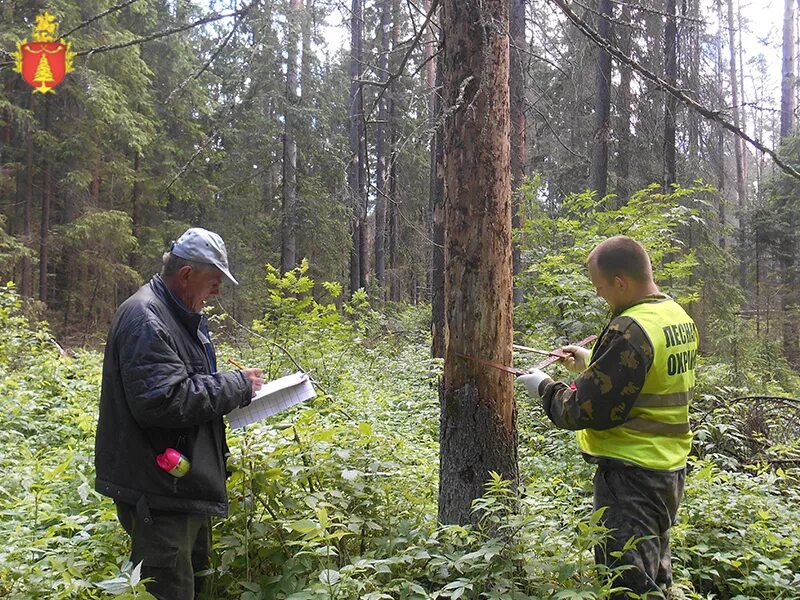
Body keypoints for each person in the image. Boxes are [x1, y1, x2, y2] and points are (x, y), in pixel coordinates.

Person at [519, 235, 698, 599]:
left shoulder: (630, 330)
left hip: (631, 478)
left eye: (600, 288)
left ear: (620, 281)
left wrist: (544, 387)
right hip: (667, 471)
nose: (601, 295)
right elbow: (647, 380)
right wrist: (592, 365)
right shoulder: (675, 316)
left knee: (627, 584)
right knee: (654, 576)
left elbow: (582, 411)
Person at [95, 227, 264, 600]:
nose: (217, 290)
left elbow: (184, 383)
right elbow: (164, 400)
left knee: (195, 580)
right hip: (158, 493)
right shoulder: (146, 319)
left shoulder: (178, 314)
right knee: (169, 591)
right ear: (187, 275)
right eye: (214, 281)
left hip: (180, 486)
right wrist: (235, 385)